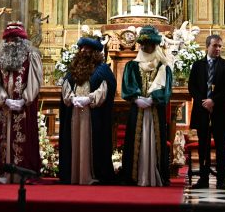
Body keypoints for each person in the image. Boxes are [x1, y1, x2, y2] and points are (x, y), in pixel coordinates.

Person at [58, 33, 116, 185]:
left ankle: (92, 173)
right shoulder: (73, 69)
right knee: (74, 141)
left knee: (92, 142)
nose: (84, 52)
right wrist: (72, 98)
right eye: (82, 49)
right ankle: (74, 174)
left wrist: (89, 99)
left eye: (88, 49)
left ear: (95, 52)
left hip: (93, 114)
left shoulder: (102, 69)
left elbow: (105, 88)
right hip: (75, 113)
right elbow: (66, 87)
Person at [0, 22, 42, 182]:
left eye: (15, 39)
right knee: (5, 138)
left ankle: (23, 173)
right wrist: (4, 98)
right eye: (9, 39)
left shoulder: (31, 57)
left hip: (24, 107)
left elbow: (35, 80)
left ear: (23, 41)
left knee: (24, 138)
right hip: (6, 107)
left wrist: (24, 100)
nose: (12, 42)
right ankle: (6, 172)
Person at [121, 25, 173, 186]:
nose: (145, 47)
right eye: (143, 44)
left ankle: (156, 174)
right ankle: (135, 176)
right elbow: (127, 86)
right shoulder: (132, 65)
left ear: (154, 45)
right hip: (138, 110)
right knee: (136, 141)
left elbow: (166, 88)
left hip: (156, 109)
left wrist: (153, 99)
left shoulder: (163, 67)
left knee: (156, 141)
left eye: (149, 44)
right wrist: (136, 99)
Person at [188, 34, 225, 189]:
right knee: (203, 146)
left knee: (220, 146)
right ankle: (203, 178)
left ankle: (221, 179)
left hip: (219, 110)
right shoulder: (197, 65)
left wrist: (213, 100)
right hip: (202, 110)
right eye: (215, 46)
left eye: (220, 46)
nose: (218, 49)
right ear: (207, 46)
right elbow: (192, 86)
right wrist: (203, 101)